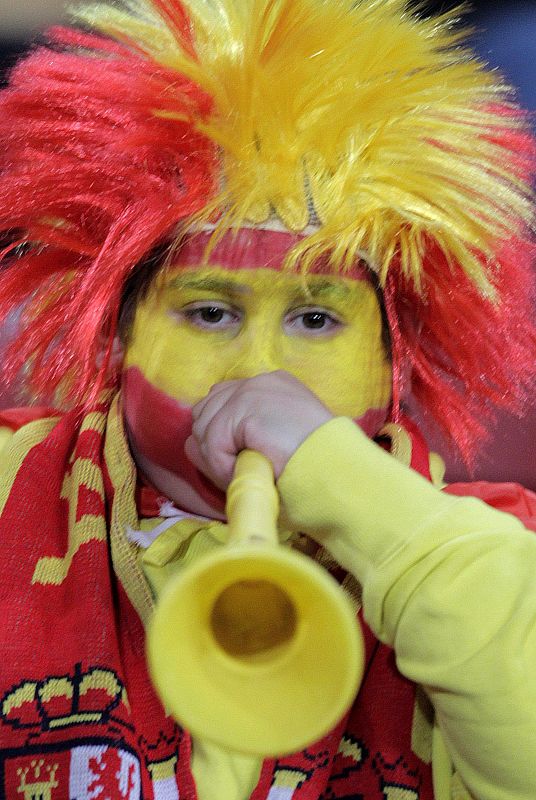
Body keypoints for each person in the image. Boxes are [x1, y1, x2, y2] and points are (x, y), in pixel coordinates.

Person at [0, 1, 535, 799]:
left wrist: (348, 490)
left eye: (316, 319)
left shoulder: (493, 549)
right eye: (210, 312)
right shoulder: (11, 482)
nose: (260, 373)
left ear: (396, 359)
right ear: (116, 335)